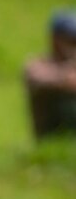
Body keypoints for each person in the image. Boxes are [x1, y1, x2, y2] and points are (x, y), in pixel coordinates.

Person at [24, 9, 76, 139]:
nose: (73, 45)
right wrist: (65, 78)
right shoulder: (38, 64)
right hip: (50, 134)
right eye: (70, 39)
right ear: (55, 38)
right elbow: (38, 78)